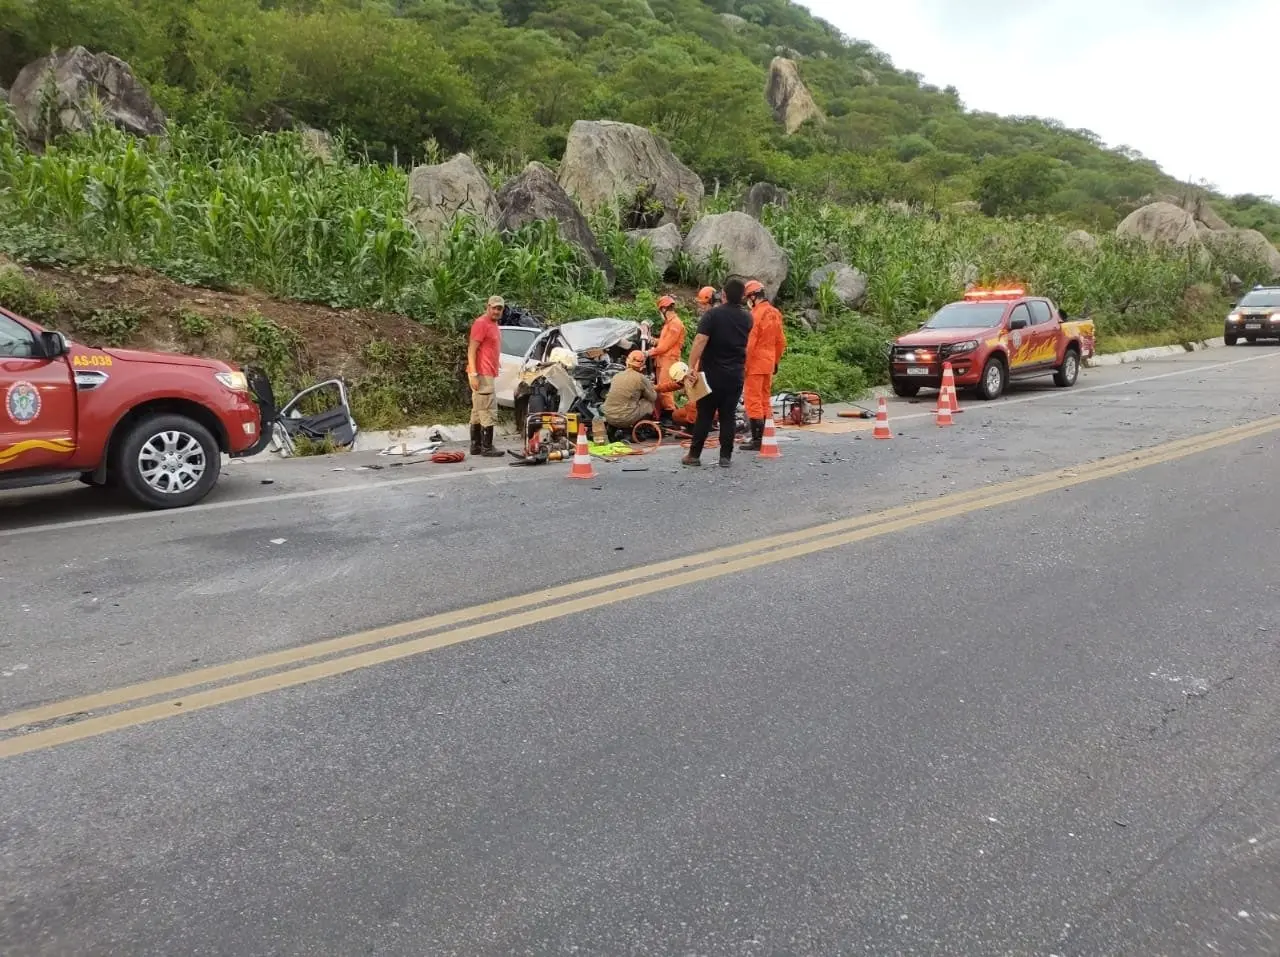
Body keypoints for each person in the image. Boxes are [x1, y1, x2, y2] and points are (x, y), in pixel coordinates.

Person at [684, 277, 751, 468]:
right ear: (743, 298)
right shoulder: (747, 318)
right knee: (727, 416)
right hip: (735, 375)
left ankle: (694, 455)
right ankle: (725, 457)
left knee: (705, 414)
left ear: (723, 295)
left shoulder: (712, 315)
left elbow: (700, 340)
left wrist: (691, 366)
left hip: (712, 375)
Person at [740, 279, 787, 451]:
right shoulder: (775, 313)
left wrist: (743, 364)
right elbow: (781, 341)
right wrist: (775, 361)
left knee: (753, 400)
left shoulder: (755, 315)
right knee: (764, 399)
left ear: (752, 297)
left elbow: (750, 343)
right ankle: (767, 434)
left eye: (747, 298)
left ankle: (757, 439)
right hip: (768, 363)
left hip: (754, 364)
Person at [467, 295, 506, 457]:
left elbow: (489, 348)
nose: (497, 311)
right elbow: (472, 350)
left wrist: (496, 362)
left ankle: (476, 446)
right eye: (494, 307)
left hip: (487, 371)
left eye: (500, 308)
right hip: (482, 373)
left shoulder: (493, 324)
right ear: (487, 307)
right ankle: (487, 447)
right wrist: (474, 374)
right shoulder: (481, 323)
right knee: (487, 409)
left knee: (477, 410)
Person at [647, 295, 686, 427]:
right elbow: (664, 342)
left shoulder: (675, 324)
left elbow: (665, 347)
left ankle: (671, 417)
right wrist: (653, 340)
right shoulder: (669, 324)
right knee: (662, 389)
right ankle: (667, 416)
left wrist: (647, 352)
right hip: (662, 360)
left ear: (663, 309)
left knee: (665, 390)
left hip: (669, 360)